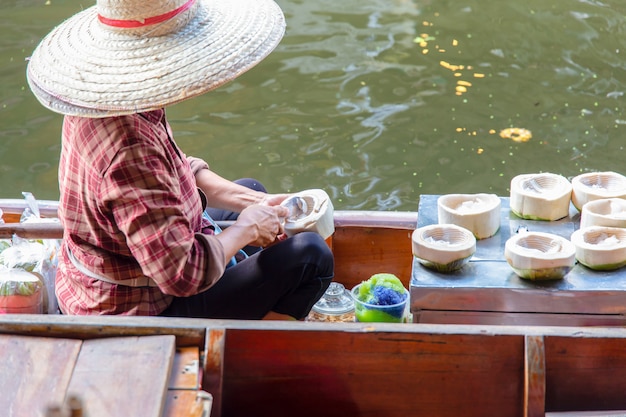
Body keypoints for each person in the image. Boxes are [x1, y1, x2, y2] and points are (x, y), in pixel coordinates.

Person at [25, 0, 334, 319]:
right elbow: (182, 273)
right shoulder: (128, 148)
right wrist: (245, 231)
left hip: (106, 267)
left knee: (250, 186)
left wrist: (254, 200)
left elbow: (172, 169)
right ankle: (258, 348)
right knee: (309, 254)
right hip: (135, 309)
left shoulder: (103, 101)